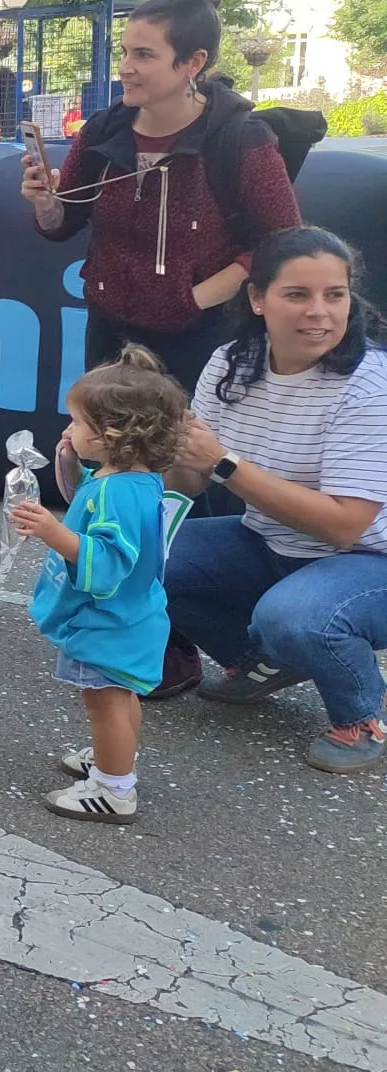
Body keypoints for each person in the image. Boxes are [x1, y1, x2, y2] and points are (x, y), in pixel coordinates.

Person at [23, 0, 303, 697]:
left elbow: (283, 242)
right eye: (126, 52)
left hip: (201, 340)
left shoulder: (240, 137)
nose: (128, 68)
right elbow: (64, 224)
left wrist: (197, 293)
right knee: (111, 483)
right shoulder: (107, 130)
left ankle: (212, 642)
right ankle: (135, 637)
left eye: (145, 55)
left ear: (193, 63)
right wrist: (46, 203)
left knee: (185, 489)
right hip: (113, 334)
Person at [162, 227, 387, 773]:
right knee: (139, 552)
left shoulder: (368, 384)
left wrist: (224, 463)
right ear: (258, 299)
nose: (320, 312)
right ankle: (258, 663)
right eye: (297, 295)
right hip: (270, 540)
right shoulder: (231, 362)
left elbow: (345, 528)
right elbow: (186, 484)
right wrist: (101, 462)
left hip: (367, 559)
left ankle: (361, 717)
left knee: (295, 618)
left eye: (335, 295)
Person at [9, 347, 187, 823]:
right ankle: (114, 758)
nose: (68, 430)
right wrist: (73, 459)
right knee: (122, 696)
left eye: (77, 422)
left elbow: (106, 564)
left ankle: (113, 788)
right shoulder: (133, 479)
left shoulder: (116, 492)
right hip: (134, 615)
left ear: (113, 434)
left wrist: (53, 532)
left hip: (108, 620)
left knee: (104, 700)